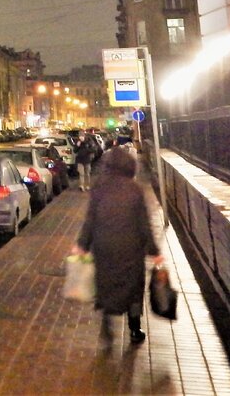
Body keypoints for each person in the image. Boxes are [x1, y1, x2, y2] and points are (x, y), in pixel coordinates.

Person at [74, 147, 163, 345]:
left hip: (104, 247)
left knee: (106, 285)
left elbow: (90, 219)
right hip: (131, 249)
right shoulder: (135, 189)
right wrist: (154, 251)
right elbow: (144, 223)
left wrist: (82, 245)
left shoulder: (99, 188)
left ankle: (106, 325)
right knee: (133, 288)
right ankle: (134, 328)